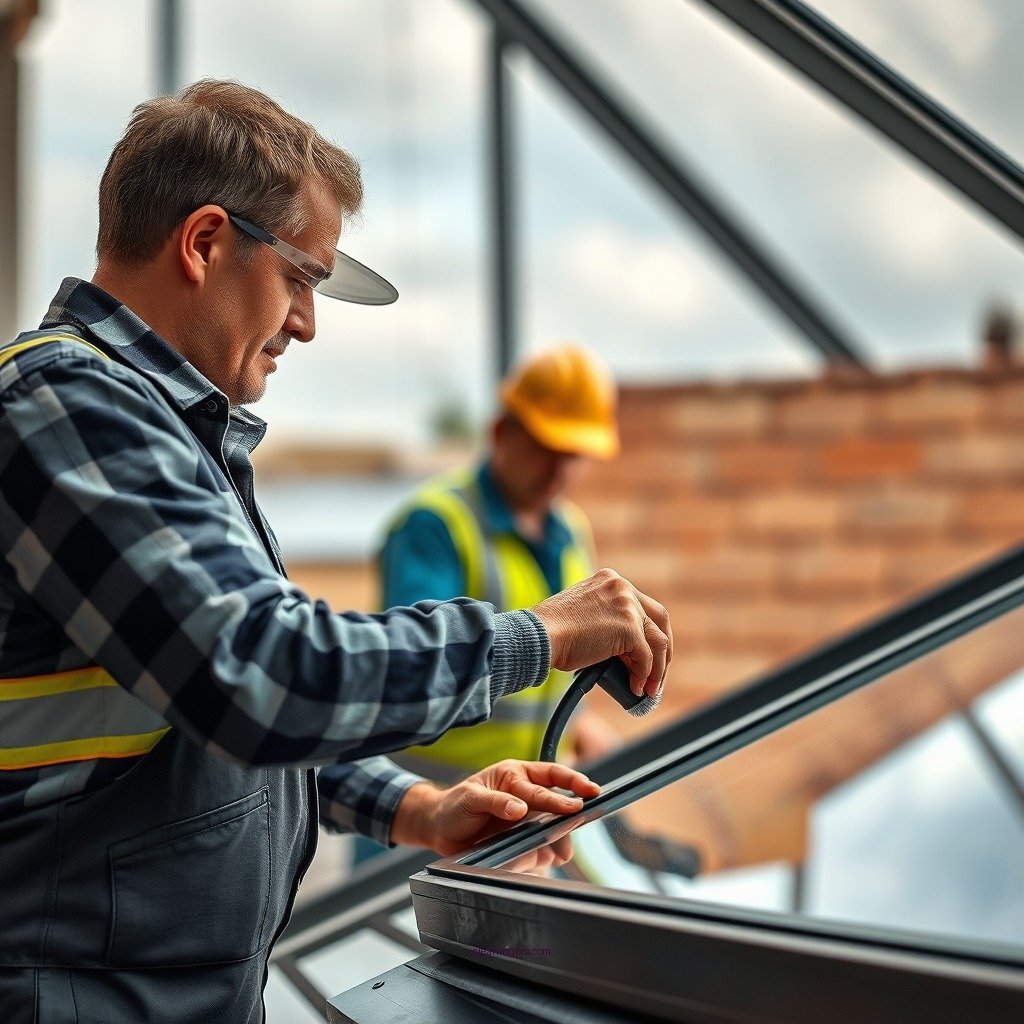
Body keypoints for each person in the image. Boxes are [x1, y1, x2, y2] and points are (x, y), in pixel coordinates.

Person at [0, 80, 672, 1023]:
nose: (308, 324)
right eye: (302, 280)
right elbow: (264, 675)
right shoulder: (67, 409)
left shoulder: (172, 436)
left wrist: (418, 810)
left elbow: (203, 721)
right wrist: (537, 635)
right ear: (204, 244)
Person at [378, 345, 625, 788]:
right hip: (423, 806)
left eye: (574, 453)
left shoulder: (570, 528)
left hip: (519, 808)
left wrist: (578, 723)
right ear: (500, 433)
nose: (559, 469)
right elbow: (413, 669)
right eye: (545, 447)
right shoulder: (436, 524)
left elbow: (555, 672)